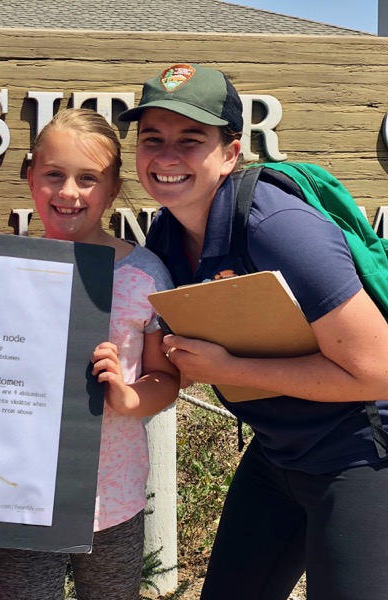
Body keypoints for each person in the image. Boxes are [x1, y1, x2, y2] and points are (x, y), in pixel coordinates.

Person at [120, 63, 388, 599]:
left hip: (361, 454)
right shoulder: (168, 232)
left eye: (190, 140)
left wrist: (232, 370)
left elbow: (379, 371)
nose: (166, 156)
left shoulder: (278, 229)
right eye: (153, 139)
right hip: (277, 453)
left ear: (230, 152)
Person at [0, 108, 180, 600]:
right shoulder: (2, 268)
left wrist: (128, 397)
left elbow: (166, 377)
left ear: (113, 189)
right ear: (31, 177)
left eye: (88, 179)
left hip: (113, 497)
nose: (68, 193)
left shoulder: (144, 275)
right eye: (54, 174)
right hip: (23, 495)